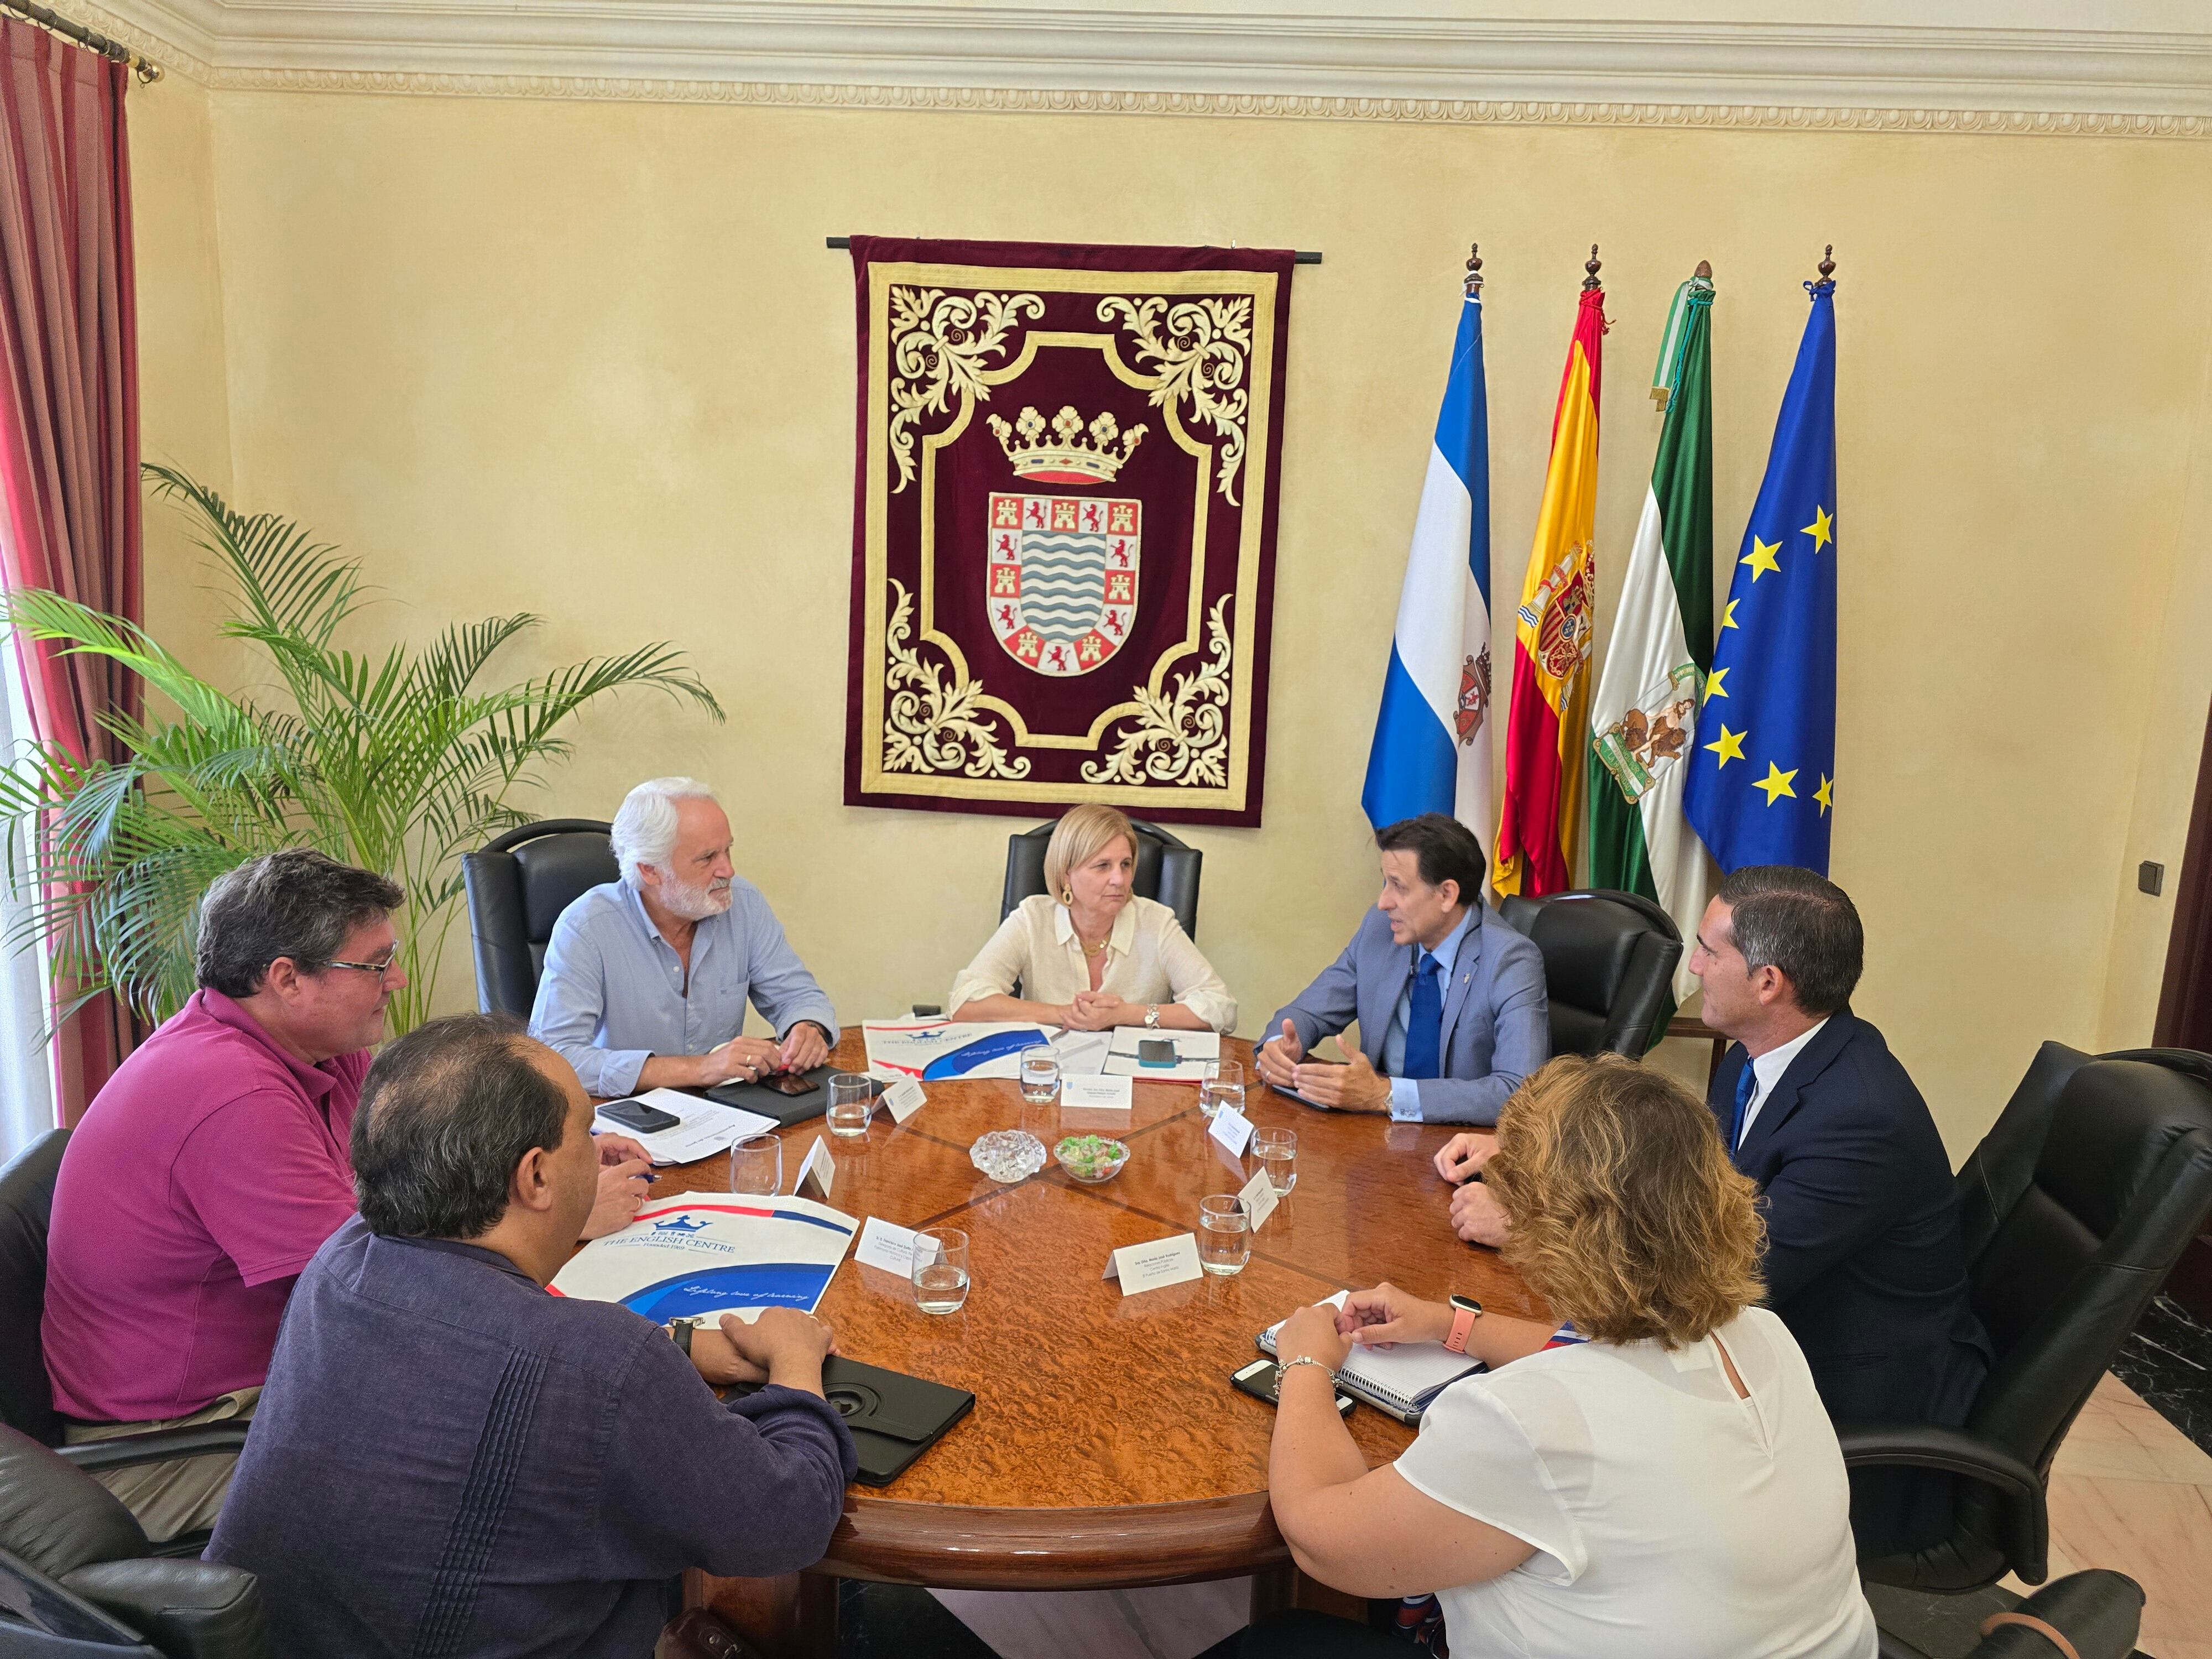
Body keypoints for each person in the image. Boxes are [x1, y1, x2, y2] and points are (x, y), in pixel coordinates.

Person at [40, 851, 653, 1543]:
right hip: (184, 1438)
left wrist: (547, 1155)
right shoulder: (230, 1094)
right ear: (286, 979)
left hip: (279, 1372)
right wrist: (565, 1212)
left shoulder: (320, 1045)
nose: (396, 980)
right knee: (529, 1462)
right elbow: (383, 1298)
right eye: (373, 965)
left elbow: (408, 1182)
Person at [207, 1015, 857, 1657]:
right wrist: (795, 1364)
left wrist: (680, 1347)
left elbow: (478, 1338)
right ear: (536, 1177)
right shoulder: (602, 1362)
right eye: (586, 1130)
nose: (600, 1142)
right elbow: (785, 1526)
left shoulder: (338, 1263)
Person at [1258, 1054, 1877, 1659]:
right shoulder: (1764, 1333)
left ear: (1543, 1226)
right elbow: (1612, 1357)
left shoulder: (1524, 1421)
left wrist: (1306, 1362)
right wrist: (1452, 1325)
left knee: (1281, 1639)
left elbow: (1321, 1542)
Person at [530, 776, 841, 1097]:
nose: (728, 870)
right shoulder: (586, 927)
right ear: (650, 869)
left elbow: (799, 997)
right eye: (707, 858)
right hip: (625, 1124)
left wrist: (807, 1027)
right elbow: (552, 1062)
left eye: (727, 850)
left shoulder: (743, 904)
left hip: (729, 1113)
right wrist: (700, 1068)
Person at [1254, 813, 1545, 1122]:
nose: (1383, 902)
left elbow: (1520, 1092)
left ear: (1447, 894)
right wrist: (1281, 1049)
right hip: (1376, 1139)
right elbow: (1310, 1011)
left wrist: (1385, 1095)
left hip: (1462, 1148)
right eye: (1385, 882)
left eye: (1398, 886)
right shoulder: (1380, 930)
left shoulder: (1511, 960)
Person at [949, 804, 1235, 1034]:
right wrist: (1063, 1014)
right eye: (1102, 866)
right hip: (1047, 1076)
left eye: (1125, 865)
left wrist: (1127, 1015)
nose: (1119, 879)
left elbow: (1220, 1008)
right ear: (1066, 874)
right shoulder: (1032, 919)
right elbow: (965, 1002)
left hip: (1136, 1086)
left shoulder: (1157, 923)